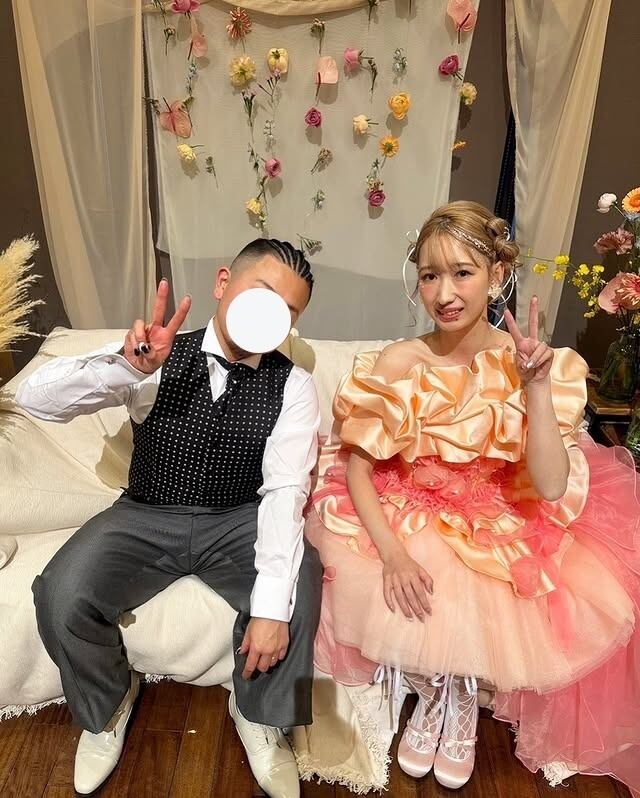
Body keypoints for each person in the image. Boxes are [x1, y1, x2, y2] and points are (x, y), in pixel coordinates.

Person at [305, 202, 640, 794]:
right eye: (430, 275)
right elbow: (358, 471)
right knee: (409, 573)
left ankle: (458, 696)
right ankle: (439, 691)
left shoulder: (530, 363)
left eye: (462, 273)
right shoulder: (401, 361)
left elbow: (552, 485)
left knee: (506, 583)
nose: (444, 293)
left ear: (497, 274)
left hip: (499, 511)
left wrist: (536, 388)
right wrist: (393, 554)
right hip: (410, 507)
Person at [16, 238, 323, 798]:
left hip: (239, 516)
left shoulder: (294, 385)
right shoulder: (153, 354)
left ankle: (259, 715)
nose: (271, 316)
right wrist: (123, 367)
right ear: (223, 283)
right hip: (147, 511)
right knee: (60, 593)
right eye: (262, 294)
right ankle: (108, 707)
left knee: (300, 583)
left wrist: (271, 609)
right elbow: (36, 401)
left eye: (289, 311)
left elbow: (285, 491)